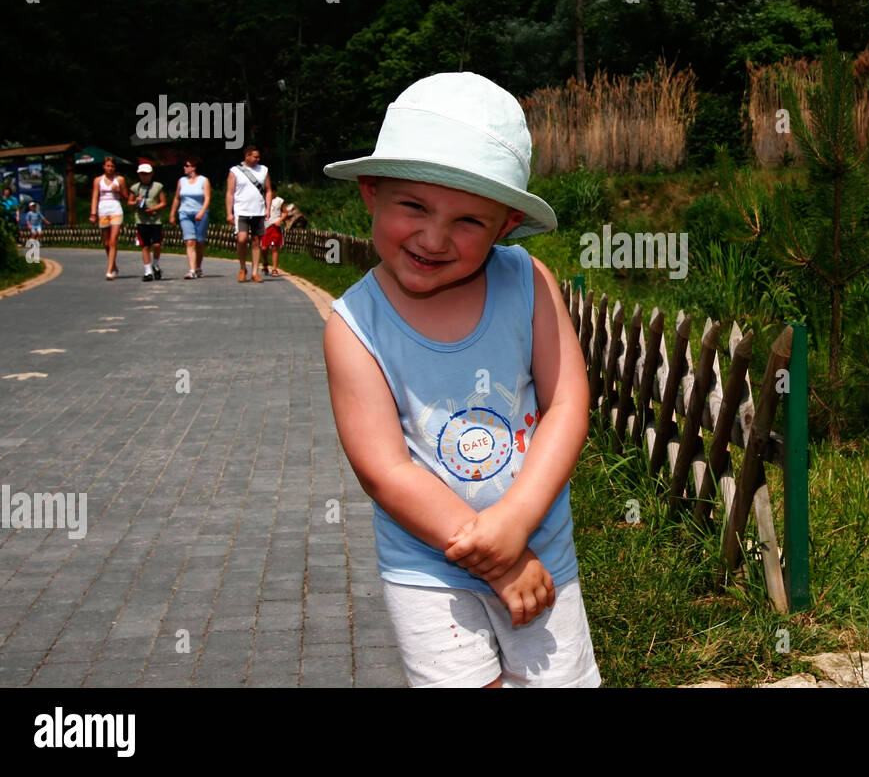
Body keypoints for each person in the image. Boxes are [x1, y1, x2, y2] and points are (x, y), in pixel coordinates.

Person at [322, 72, 600, 688]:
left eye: (469, 220)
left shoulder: (529, 283)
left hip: (542, 552)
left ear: (505, 225)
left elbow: (568, 403)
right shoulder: (353, 328)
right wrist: (494, 557)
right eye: (414, 206)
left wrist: (516, 524)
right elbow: (385, 469)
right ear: (371, 191)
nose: (434, 238)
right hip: (429, 570)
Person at [226, 145, 272, 283]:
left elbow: (268, 190)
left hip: (258, 210)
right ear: (247, 156)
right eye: (255, 156)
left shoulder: (263, 170)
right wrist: (229, 212)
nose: (258, 159)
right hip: (241, 210)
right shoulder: (235, 171)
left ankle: (254, 272)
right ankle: (242, 267)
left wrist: (268, 208)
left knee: (257, 241)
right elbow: (230, 192)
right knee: (242, 239)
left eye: (259, 157)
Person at [171, 156, 211, 279]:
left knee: (199, 242)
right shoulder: (181, 181)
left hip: (200, 213)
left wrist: (202, 212)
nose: (184, 168)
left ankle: (198, 267)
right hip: (185, 213)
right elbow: (177, 198)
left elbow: (207, 198)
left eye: (187, 165)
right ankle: (192, 269)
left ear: (194, 167)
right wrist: (172, 214)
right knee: (190, 241)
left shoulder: (204, 180)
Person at [90, 156, 128, 280]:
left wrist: (119, 191)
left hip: (116, 209)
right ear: (104, 167)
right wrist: (93, 213)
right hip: (103, 210)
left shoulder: (120, 180)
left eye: (112, 166)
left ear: (114, 167)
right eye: (108, 166)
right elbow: (95, 197)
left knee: (113, 241)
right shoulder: (98, 180)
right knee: (106, 243)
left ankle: (109, 270)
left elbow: (126, 197)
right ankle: (114, 265)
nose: (110, 168)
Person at [128, 163, 166, 281]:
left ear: (151, 174)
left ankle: (155, 264)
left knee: (156, 244)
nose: (144, 177)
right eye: (142, 174)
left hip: (155, 220)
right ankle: (147, 271)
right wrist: (135, 202)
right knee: (144, 245)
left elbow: (163, 202)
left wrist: (153, 209)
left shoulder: (157, 186)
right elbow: (129, 202)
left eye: (147, 174)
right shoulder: (135, 188)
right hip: (141, 219)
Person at [260, 193, 285, 277]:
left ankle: (274, 268)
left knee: (274, 248)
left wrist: (280, 220)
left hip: (275, 226)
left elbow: (285, 212)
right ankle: (265, 262)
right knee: (264, 248)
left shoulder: (279, 201)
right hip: (265, 226)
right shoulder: (262, 200)